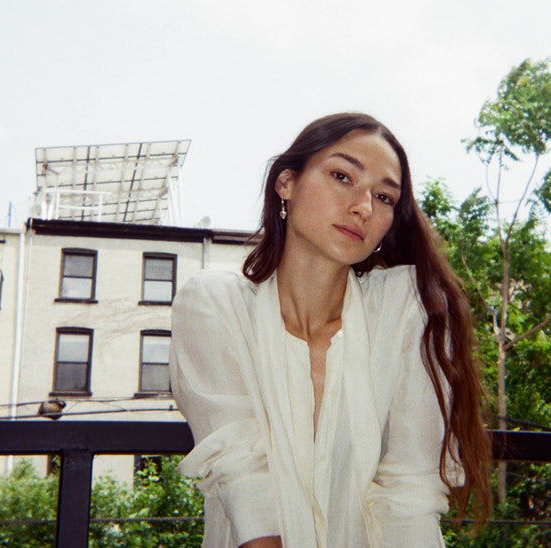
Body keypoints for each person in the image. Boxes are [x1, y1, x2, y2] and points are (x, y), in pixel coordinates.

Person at [170, 112, 491, 548]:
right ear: (286, 183)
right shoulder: (214, 305)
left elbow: (409, 494)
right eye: (342, 176)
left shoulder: (403, 310)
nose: (363, 206)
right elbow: (244, 480)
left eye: (383, 197)